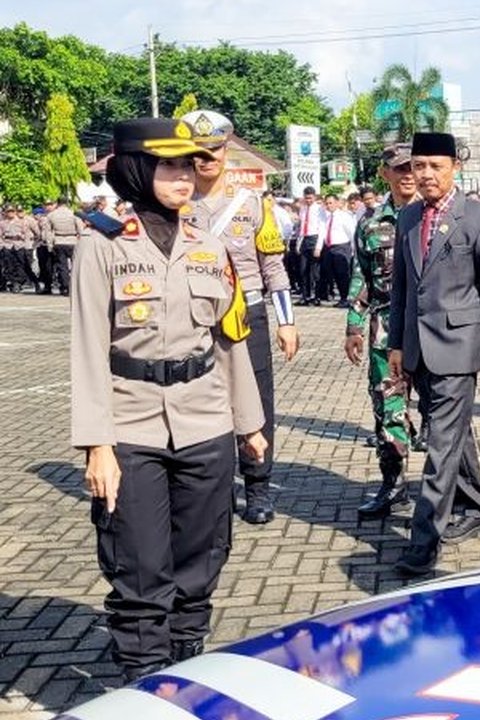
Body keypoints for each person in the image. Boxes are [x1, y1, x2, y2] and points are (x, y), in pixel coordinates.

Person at [69, 117, 267, 679]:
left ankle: (186, 658)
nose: (186, 175)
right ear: (135, 167)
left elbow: (228, 338)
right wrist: (97, 446)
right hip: (131, 425)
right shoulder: (101, 243)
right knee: (139, 563)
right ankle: (143, 679)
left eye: (190, 164)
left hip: (204, 419)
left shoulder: (209, 244)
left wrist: (248, 423)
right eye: (170, 164)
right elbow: (86, 348)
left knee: (203, 555)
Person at [388, 131, 480, 575]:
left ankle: (424, 540)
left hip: (460, 348)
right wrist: (397, 345)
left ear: (454, 168)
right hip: (418, 348)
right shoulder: (407, 218)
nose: (426, 175)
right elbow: (402, 288)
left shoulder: (478, 217)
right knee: (454, 435)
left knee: (440, 444)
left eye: (435, 166)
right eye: (419, 166)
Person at [183, 109, 299, 525]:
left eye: (212, 151)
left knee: (255, 400)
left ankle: (258, 485)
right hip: (193, 317)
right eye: (197, 153)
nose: (204, 160)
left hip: (246, 314)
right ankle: (218, 486)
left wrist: (286, 321)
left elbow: (273, 268)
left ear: (226, 150)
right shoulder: (176, 204)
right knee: (199, 401)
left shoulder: (252, 205)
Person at [346, 144, 420, 519]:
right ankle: (394, 486)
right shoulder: (371, 222)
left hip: (431, 332)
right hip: (385, 331)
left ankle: (456, 492)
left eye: (413, 166)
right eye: (400, 168)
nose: (408, 174)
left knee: (443, 415)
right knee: (388, 410)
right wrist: (354, 327)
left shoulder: (437, 217)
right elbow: (360, 275)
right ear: (384, 173)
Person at [320, 192, 357, 308]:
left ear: (337, 203)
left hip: (341, 247)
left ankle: (346, 298)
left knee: (343, 274)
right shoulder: (325, 217)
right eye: (326, 203)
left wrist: (354, 250)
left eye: (331, 203)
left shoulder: (344, 216)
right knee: (333, 274)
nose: (328, 205)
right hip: (329, 247)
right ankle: (341, 297)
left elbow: (352, 233)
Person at [45, 197, 82, 296]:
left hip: (59, 241)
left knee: (62, 266)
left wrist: (49, 245)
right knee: (76, 265)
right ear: (67, 203)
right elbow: (80, 229)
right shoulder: (73, 213)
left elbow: (48, 232)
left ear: (57, 203)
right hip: (72, 241)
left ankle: (65, 287)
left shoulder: (51, 215)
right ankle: (77, 286)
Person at [296, 187, 324, 304]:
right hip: (304, 239)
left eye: (310, 198)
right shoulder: (303, 209)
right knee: (303, 270)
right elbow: (301, 228)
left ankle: (316, 296)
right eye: (306, 198)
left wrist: (318, 246)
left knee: (315, 271)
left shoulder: (319, 209)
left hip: (314, 238)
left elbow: (322, 228)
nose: (308, 200)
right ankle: (305, 296)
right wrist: (298, 244)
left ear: (314, 197)